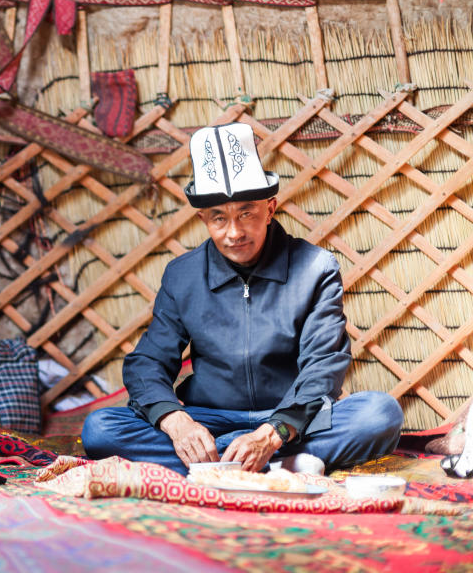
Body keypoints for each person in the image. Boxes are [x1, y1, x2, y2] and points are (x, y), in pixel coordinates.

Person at [81, 122, 403, 476]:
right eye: (219, 217)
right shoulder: (182, 275)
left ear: (270, 208)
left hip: (289, 422)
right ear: (203, 218)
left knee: (379, 414)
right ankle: (276, 464)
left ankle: (231, 462)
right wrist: (177, 422)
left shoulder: (315, 268)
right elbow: (148, 362)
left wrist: (271, 433)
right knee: (100, 429)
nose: (234, 232)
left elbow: (323, 366)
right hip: (209, 418)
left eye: (246, 213)